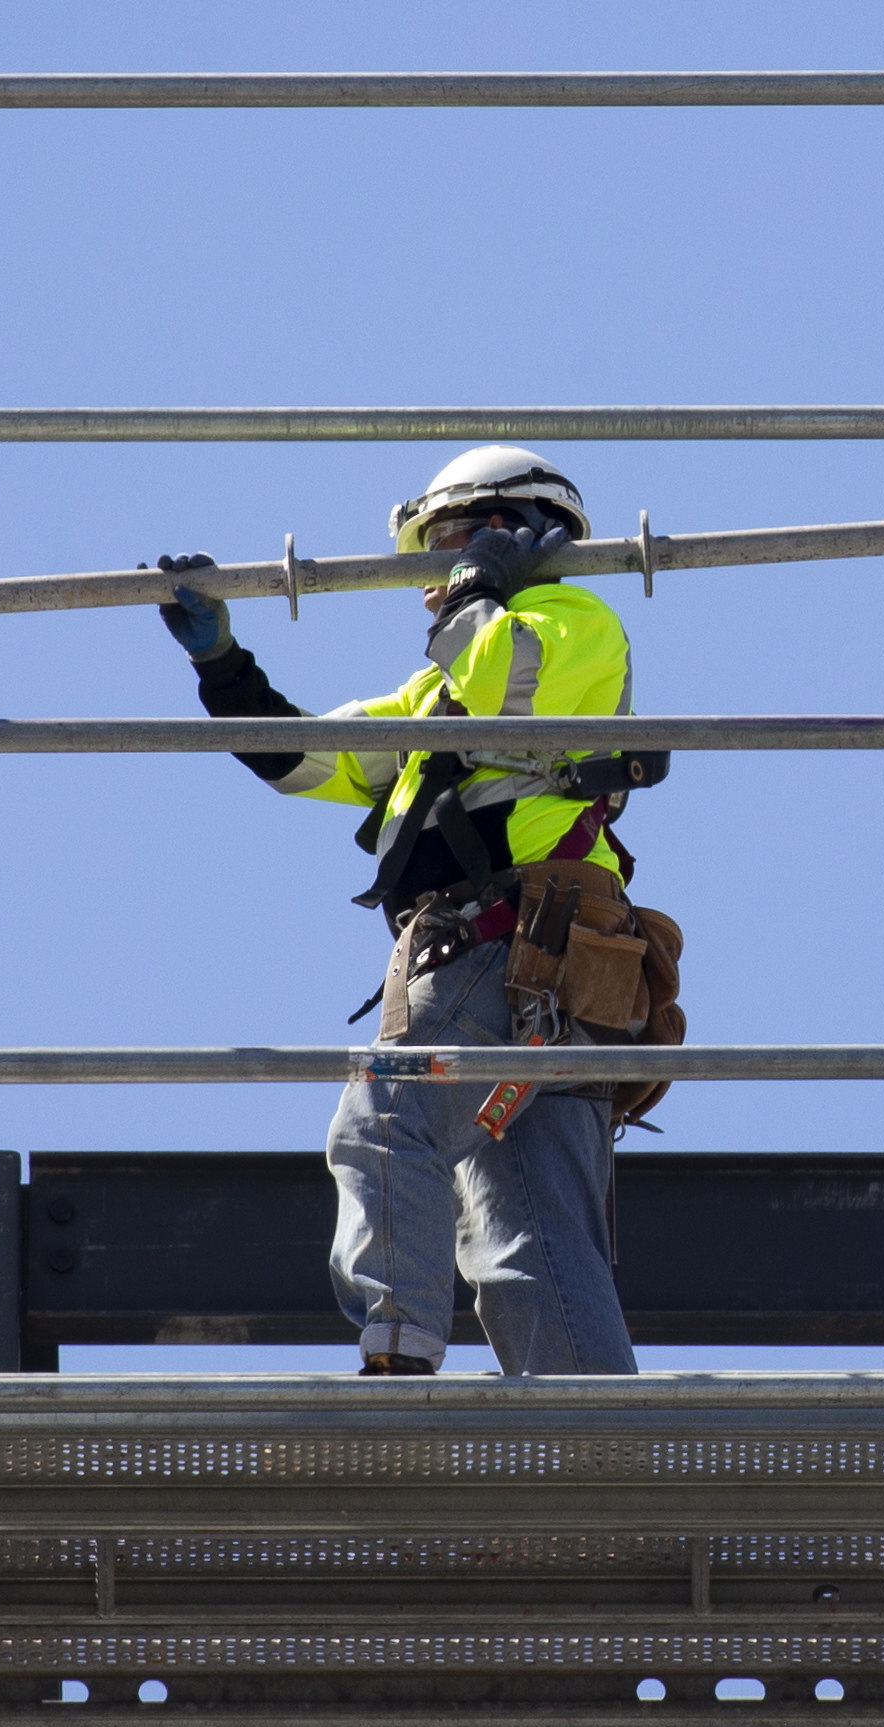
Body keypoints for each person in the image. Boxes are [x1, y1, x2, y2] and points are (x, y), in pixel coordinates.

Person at [152, 446, 654, 1377]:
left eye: (444, 544)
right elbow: (309, 759)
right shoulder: (434, 690)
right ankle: (602, 1454)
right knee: (526, 1236)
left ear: (512, 533)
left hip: (514, 950)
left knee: (388, 1113)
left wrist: (477, 591)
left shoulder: (575, 617)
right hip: (534, 985)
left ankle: (396, 1362)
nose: (427, 575)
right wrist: (223, 665)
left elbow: (508, 681)